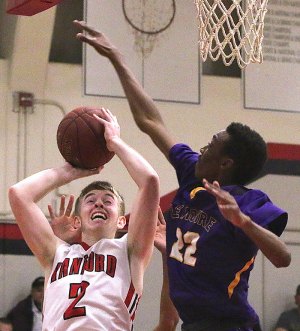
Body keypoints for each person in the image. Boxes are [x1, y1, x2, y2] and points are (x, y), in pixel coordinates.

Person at [73, 21, 291, 331]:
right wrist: (116, 58)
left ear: (226, 163)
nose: (202, 148)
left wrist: (243, 222)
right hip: (193, 324)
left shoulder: (248, 202)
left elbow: (283, 258)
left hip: (232, 326)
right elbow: (151, 120)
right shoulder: (193, 173)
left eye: (211, 145)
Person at [9, 108, 160, 331]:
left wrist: (115, 143)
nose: (99, 203)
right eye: (90, 200)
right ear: (78, 219)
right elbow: (18, 194)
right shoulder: (56, 253)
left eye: (108, 201)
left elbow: (149, 181)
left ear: (121, 221)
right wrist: (70, 171)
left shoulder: (129, 252)